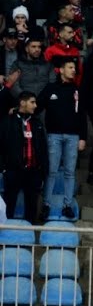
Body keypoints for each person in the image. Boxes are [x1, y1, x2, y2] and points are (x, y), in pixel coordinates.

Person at [38, 56, 85, 220]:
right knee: (51, 171)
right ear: (61, 70)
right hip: (54, 135)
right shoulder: (50, 88)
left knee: (70, 172)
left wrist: (83, 137)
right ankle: (46, 204)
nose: (73, 70)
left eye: (74, 68)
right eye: (70, 67)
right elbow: (36, 106)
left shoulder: (77, 90)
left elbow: (82, 116)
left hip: (73, 136)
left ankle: (67, 205)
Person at [1, 91, 46, 223]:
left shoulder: (37, 123)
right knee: (9, 207)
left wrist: (42, 171)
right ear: (22, 103)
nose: (35, 105)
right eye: (32, 102)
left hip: (33, 172)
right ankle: (4, 239)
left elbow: (43, 148)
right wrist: (4, 168)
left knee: (31, 209)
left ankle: (28, 241)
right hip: (13, 171)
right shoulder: (8, 121)